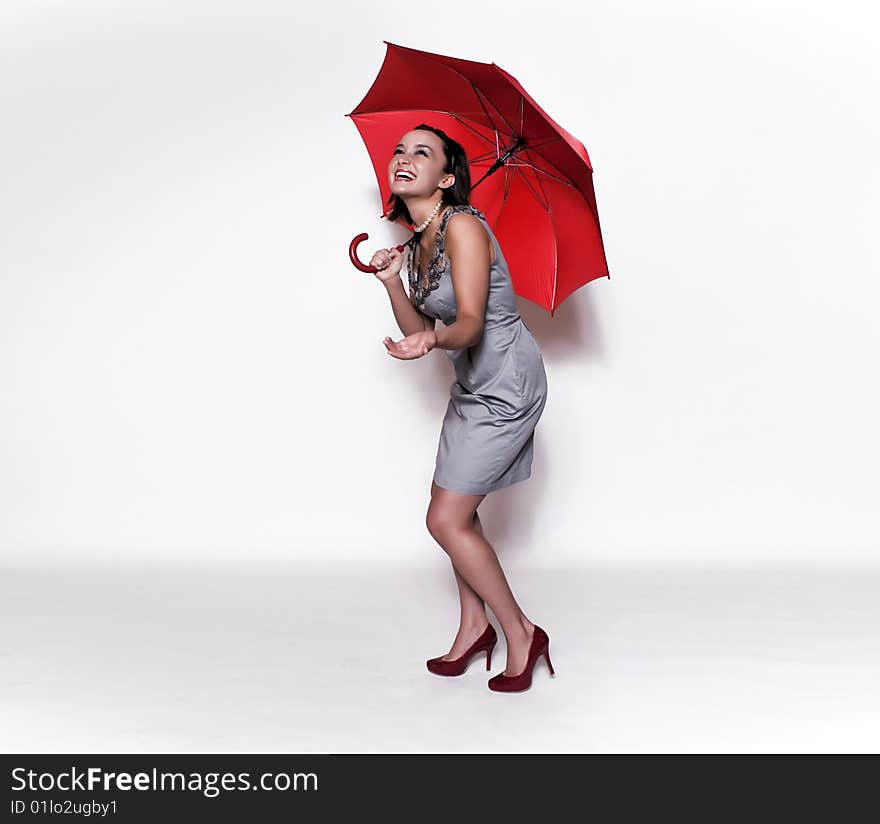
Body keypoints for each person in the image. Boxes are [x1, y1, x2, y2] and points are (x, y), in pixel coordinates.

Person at [369, 124, 555, 693]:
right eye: (399, 149)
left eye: (421, 152)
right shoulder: (419, 237)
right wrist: (393, 284)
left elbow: (468, 323)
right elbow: (421, 327)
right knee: (459, 517)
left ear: (447, 178)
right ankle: (475, 627)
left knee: (443, 520)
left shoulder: (466, 227)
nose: (403, 157)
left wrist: (431, 341)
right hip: (471, 383)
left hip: (506, 382)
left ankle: (521, 631)